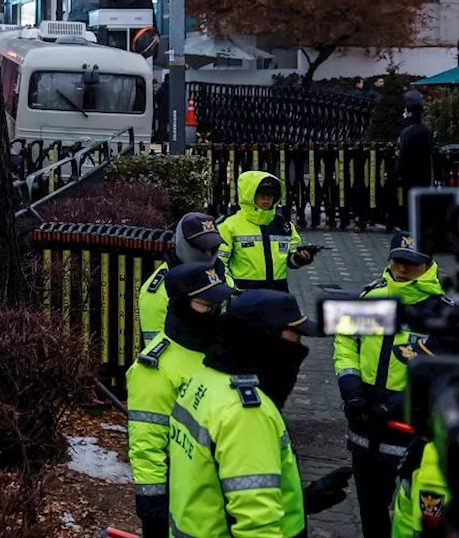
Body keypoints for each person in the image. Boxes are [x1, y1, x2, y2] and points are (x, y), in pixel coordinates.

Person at [166, 290, 317, 538]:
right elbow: (257, 526)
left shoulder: (203, 380)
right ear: (266, 341)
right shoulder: (246, 414)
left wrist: (302, 502)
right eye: (295, 338)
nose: (299, 348)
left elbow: (214, 483)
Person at [333, 233, 450, 538]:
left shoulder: (442, 313)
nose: (402, 268)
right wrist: (351, 389)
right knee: (371, 507)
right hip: (364, 419)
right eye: (397, 260)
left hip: (410, 426)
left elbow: (444, 373)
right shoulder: (372, 298)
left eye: (411, 262)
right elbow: (347, 343)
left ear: (428, 263)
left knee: (415, 512)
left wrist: (400, 403)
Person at [126, 262, 234, 538]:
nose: (214, 312)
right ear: (180, 304)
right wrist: (153, 510)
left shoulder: (217, 347)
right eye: (204, 305)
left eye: (217, 304)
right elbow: (147, 444)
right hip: (186, 498)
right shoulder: (157, 367)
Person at [216, 171, 311, 292]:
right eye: (262, 194)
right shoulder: (229, 226)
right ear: (249, 196)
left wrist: (300, 258)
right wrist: (232, 290)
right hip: (244, 294)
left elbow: (291, 261)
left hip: (278, 293)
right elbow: (219, 264)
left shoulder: (284, 225)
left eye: (271, 194)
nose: (267, 198)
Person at [139, 212, 224, 343]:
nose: (208, 253)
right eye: (201, 247)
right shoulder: (158, 291)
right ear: (183, 244)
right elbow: (157, 348)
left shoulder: (221, 272)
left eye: (213, 247)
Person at [394, 91, 435, 227]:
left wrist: (398, 173)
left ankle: (409, 225)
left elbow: (403, 154)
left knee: (409, 200)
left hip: (409, 173)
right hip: (424, 172)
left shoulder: (407, 132)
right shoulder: (426, 132)